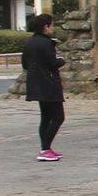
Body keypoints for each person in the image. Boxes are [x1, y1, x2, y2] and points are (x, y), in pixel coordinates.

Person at [21, 13, 65, 162]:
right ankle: (45, 148)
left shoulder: (29, 43)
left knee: (46, 117)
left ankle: (45, 148)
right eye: (51, 25)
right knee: (58, 117)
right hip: (49, 83)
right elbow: (52, 63)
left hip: (36, 83)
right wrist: (61, 61)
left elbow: (25, 64)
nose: (52, 28)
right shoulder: (46, 43)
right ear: (46, 26)